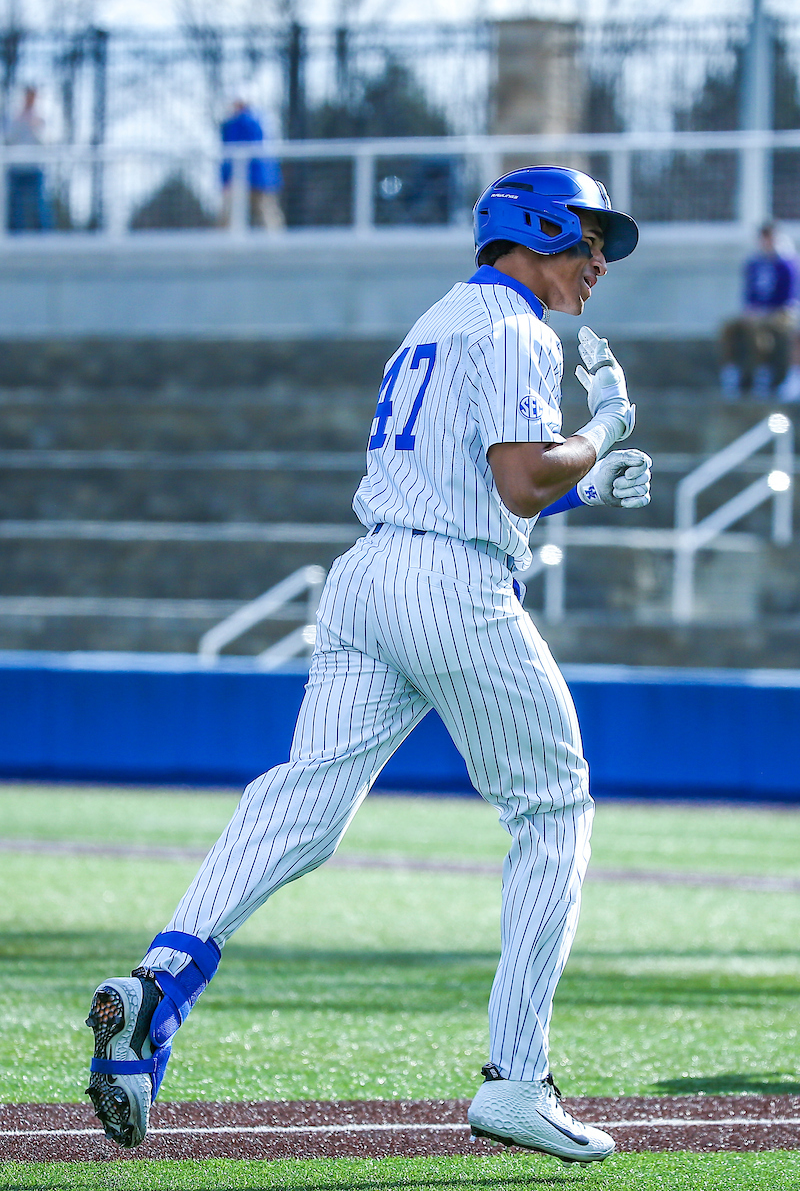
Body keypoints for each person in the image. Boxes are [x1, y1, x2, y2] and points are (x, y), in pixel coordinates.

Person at [85, 166, 652, 1164]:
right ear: (536, 229)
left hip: (367, 578)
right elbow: (517, 483)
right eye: (585, 241)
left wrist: (587, 486)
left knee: (303, 800)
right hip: (448, 585)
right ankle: (514, 1082)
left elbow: (476, 481)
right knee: (553, 808)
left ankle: (158, 983)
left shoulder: (435, 319)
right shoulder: (515, 328)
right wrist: (602, 431)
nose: (597, 264)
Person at [719, 222, 798, 400]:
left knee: (756, 330)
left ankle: (756, 375)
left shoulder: (786, 263)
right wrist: (751, 310)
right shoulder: (754, 263)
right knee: (729, 326)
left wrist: (763, 312)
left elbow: (788, 297)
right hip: (757, 312)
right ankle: (731, 370)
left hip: (780, 312)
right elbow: (749, 294)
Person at [219, 97, 284, 230]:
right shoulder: (259, 121)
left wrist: (228, 178)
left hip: (251, 179)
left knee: (265, 214)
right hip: (257, 179)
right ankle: (277, 246)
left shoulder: (242, 123)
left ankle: (276, 247)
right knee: (267, 215)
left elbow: (234, 152)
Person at [6, 85, 52, 232]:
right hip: (16, 167)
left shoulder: (41, 118)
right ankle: (16, 235)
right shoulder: (14, 117)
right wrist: (19, 122)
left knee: (39, 204)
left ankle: (44, 235)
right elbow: (8, 139)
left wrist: (35, 126)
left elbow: (46, 142)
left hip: (34, 167)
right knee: (15, 204)